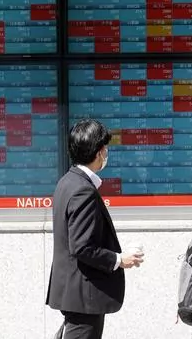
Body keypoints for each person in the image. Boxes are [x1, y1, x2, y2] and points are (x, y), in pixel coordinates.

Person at [46, 119, 144, 339]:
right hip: (84, 297)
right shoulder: (83, 191)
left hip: (75, 294)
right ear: (100, 152)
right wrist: (119, 260)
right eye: (105, 149)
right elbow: (81, 247)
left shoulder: (67, 182)